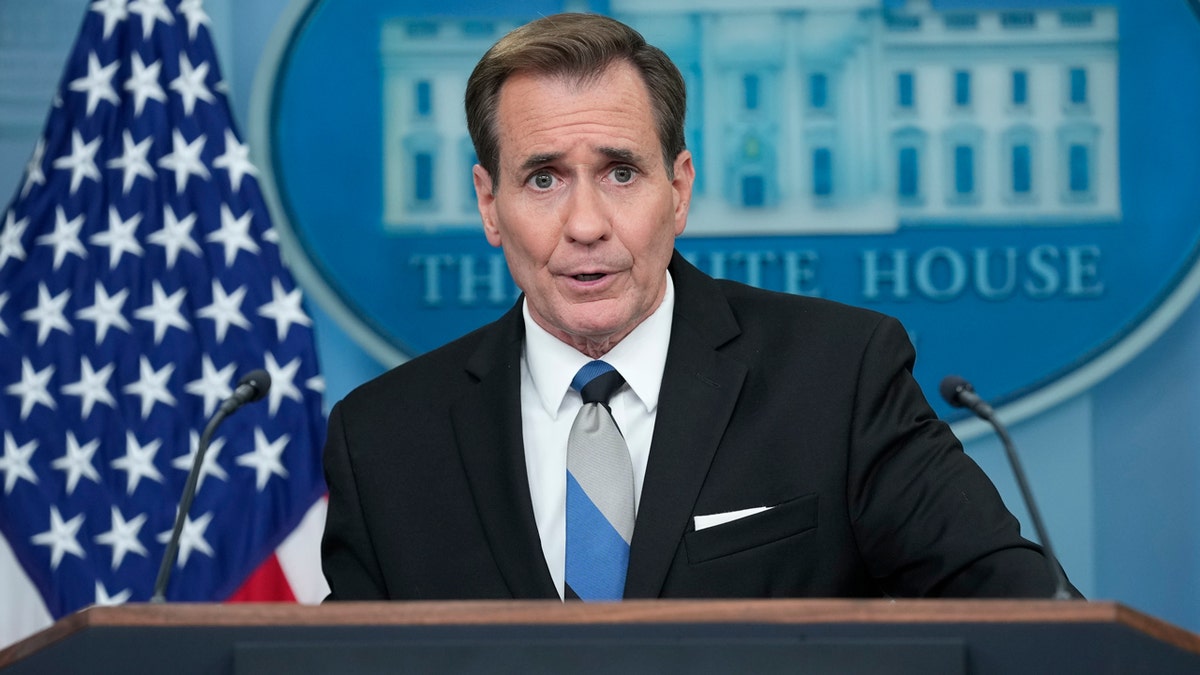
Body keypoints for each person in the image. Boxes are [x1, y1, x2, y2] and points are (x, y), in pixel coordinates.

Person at [321, 13, 1077, 601]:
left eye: (620, 172)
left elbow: (1023, 612)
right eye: (544, 179)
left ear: (678, 190)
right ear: (490, 205)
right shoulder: (384, 438)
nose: (585, 224)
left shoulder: (838, 379)